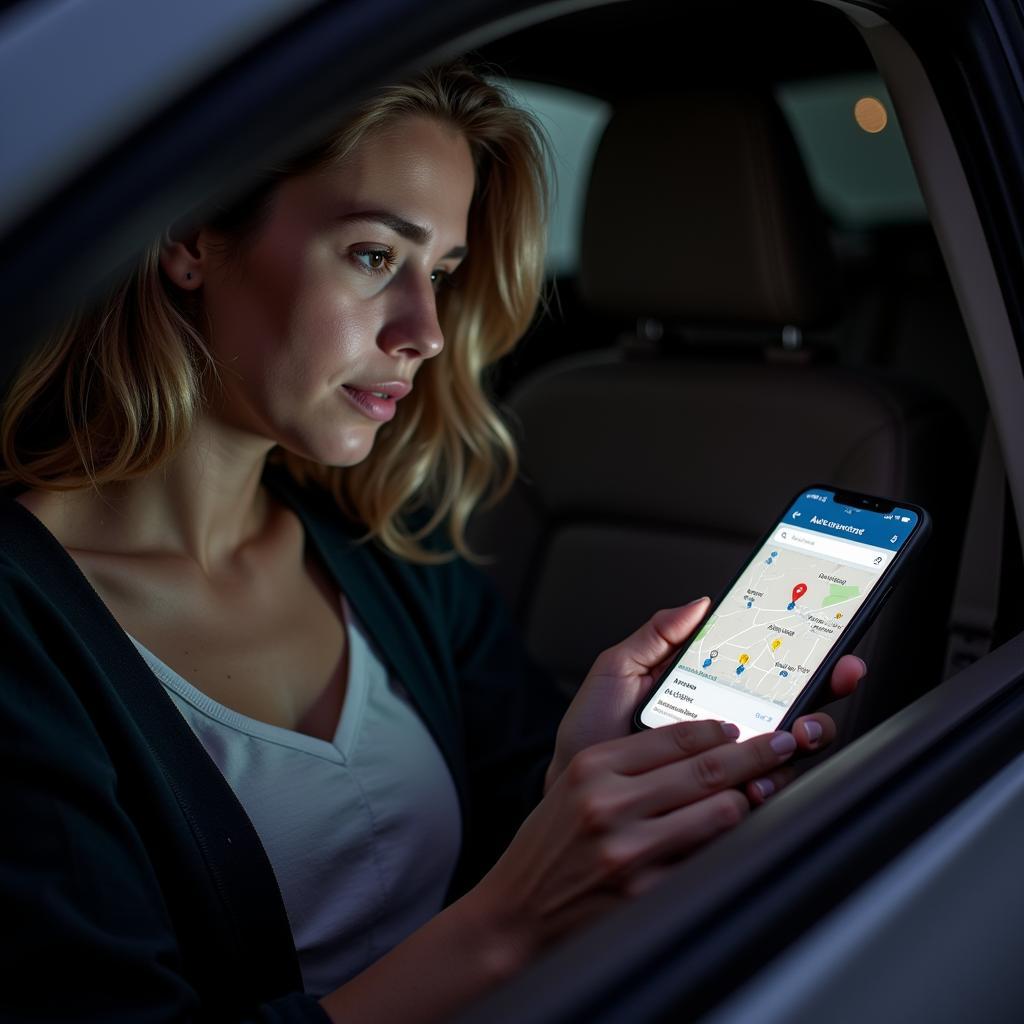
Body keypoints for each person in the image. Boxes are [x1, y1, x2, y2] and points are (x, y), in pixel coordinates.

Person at [0, 61, 863, 1023]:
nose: (428, 332)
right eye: (374, 256)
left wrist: (595, 776)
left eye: (444, 274)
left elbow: (531, 814)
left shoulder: (387, 558)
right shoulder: (20, 627)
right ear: (192, 239)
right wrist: (508, 925)